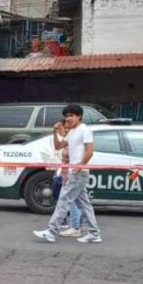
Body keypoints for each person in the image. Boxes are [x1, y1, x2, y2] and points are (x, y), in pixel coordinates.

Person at [34, 104, 102, 244]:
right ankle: (94, 233)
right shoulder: (72, 132)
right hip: (75, 172)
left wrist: (80, 165)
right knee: (85, 204)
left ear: (79, 116)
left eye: (71, 115)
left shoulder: (84, 130)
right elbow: (58, 146)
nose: (68, 118)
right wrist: (54, 132)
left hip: (78, 172)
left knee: (64, 200)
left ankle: (52, 231)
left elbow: (90, 151)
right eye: (66, 116)